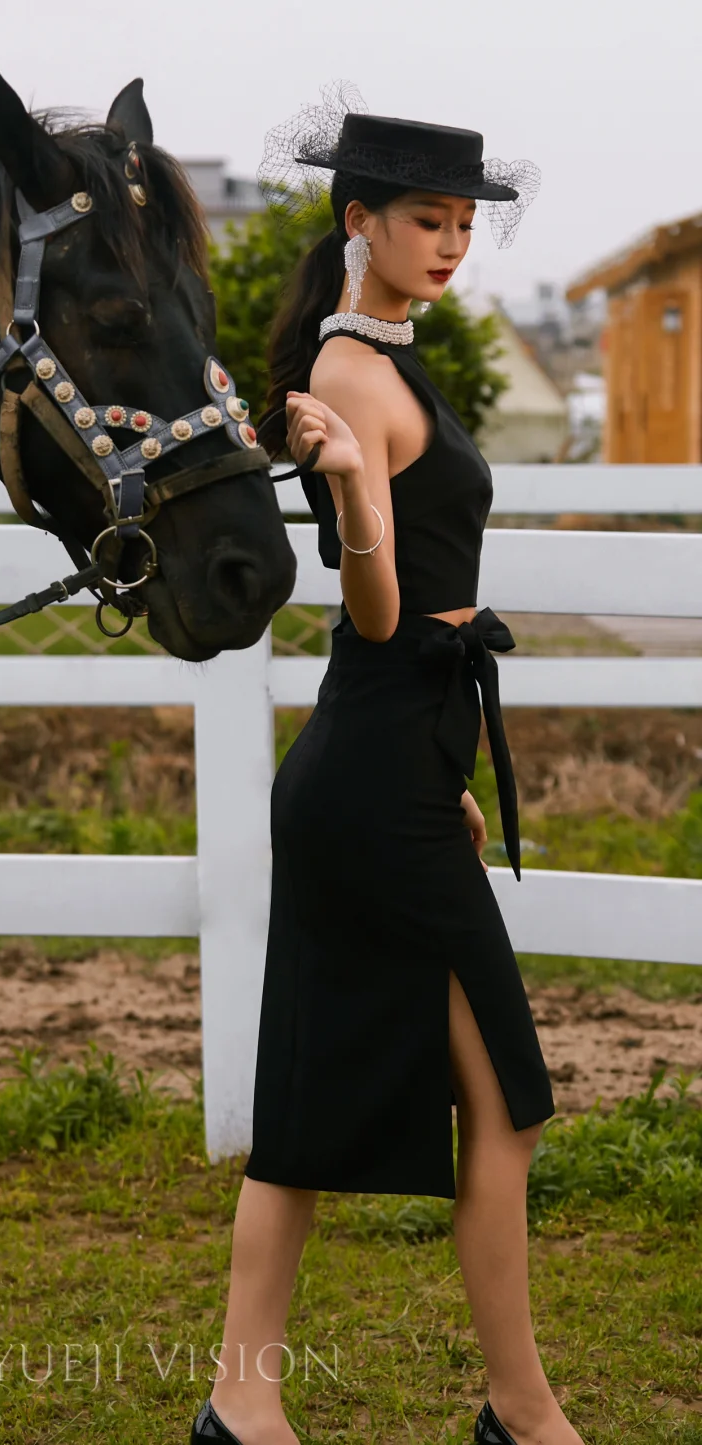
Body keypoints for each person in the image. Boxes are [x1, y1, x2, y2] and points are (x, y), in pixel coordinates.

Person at [190, 89, 581, 1445]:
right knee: (505, 1100)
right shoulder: (356, 378)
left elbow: (410, 637)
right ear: (359, 220)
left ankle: (247, 1406)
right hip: (373, 776)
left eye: (467, 223)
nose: (453, 242)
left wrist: (444, 764)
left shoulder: (390, 359)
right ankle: (522, 1418)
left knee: (325, 1087)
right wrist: (353, 489)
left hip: (392, 768)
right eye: (428, 219)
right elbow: (372, 614)